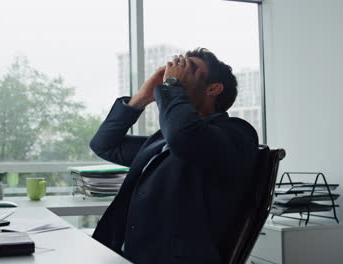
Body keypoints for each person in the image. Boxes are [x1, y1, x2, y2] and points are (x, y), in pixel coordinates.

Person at [89, 48, 258, 264]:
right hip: (119, 254)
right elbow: (104, 145)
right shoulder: (162, 139)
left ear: (213, 88)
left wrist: (172, 87)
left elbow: (185, 138)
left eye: (189, 69)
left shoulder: (237, 133)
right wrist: (141, 98)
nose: (176, 72)